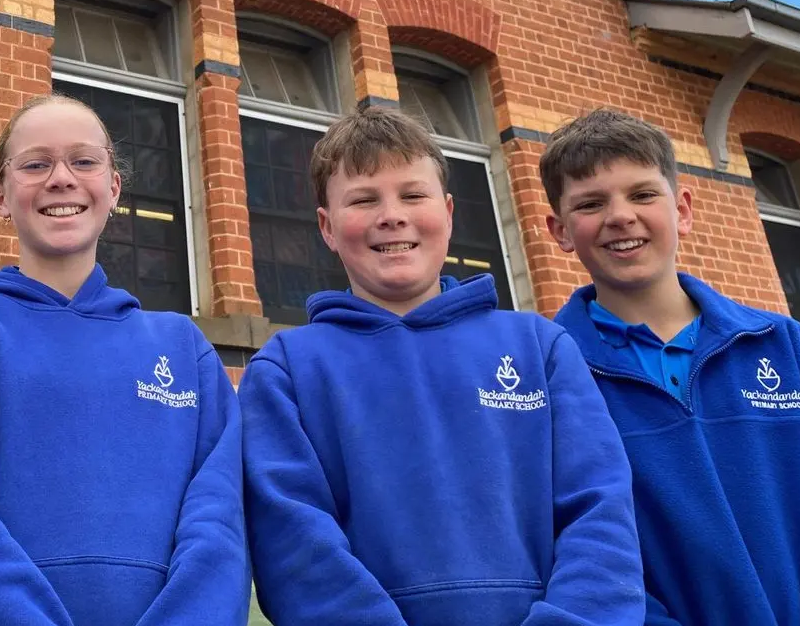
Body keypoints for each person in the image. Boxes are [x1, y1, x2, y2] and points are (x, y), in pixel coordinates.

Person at [240, 104, 642, 626]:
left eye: (413, 194)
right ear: (327, 227)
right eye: (363, 199)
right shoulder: (287, 369)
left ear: (449, 212)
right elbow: (292, 540)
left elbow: (600, 513)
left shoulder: (539, 348)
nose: (392, 215)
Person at [0, 93, 248, 626]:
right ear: (1, 195)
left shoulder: (183, 348)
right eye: (35, 164)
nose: (61, 178)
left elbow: (220, 522)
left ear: (114, 187)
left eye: (84, 161)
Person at [544, 107, 800, 626]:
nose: (620, 216)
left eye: (643, 194)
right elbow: (568, 549)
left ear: (684, 209)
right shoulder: (551, 379)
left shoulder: (791, 351)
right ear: (560, 230)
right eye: (590, 203)